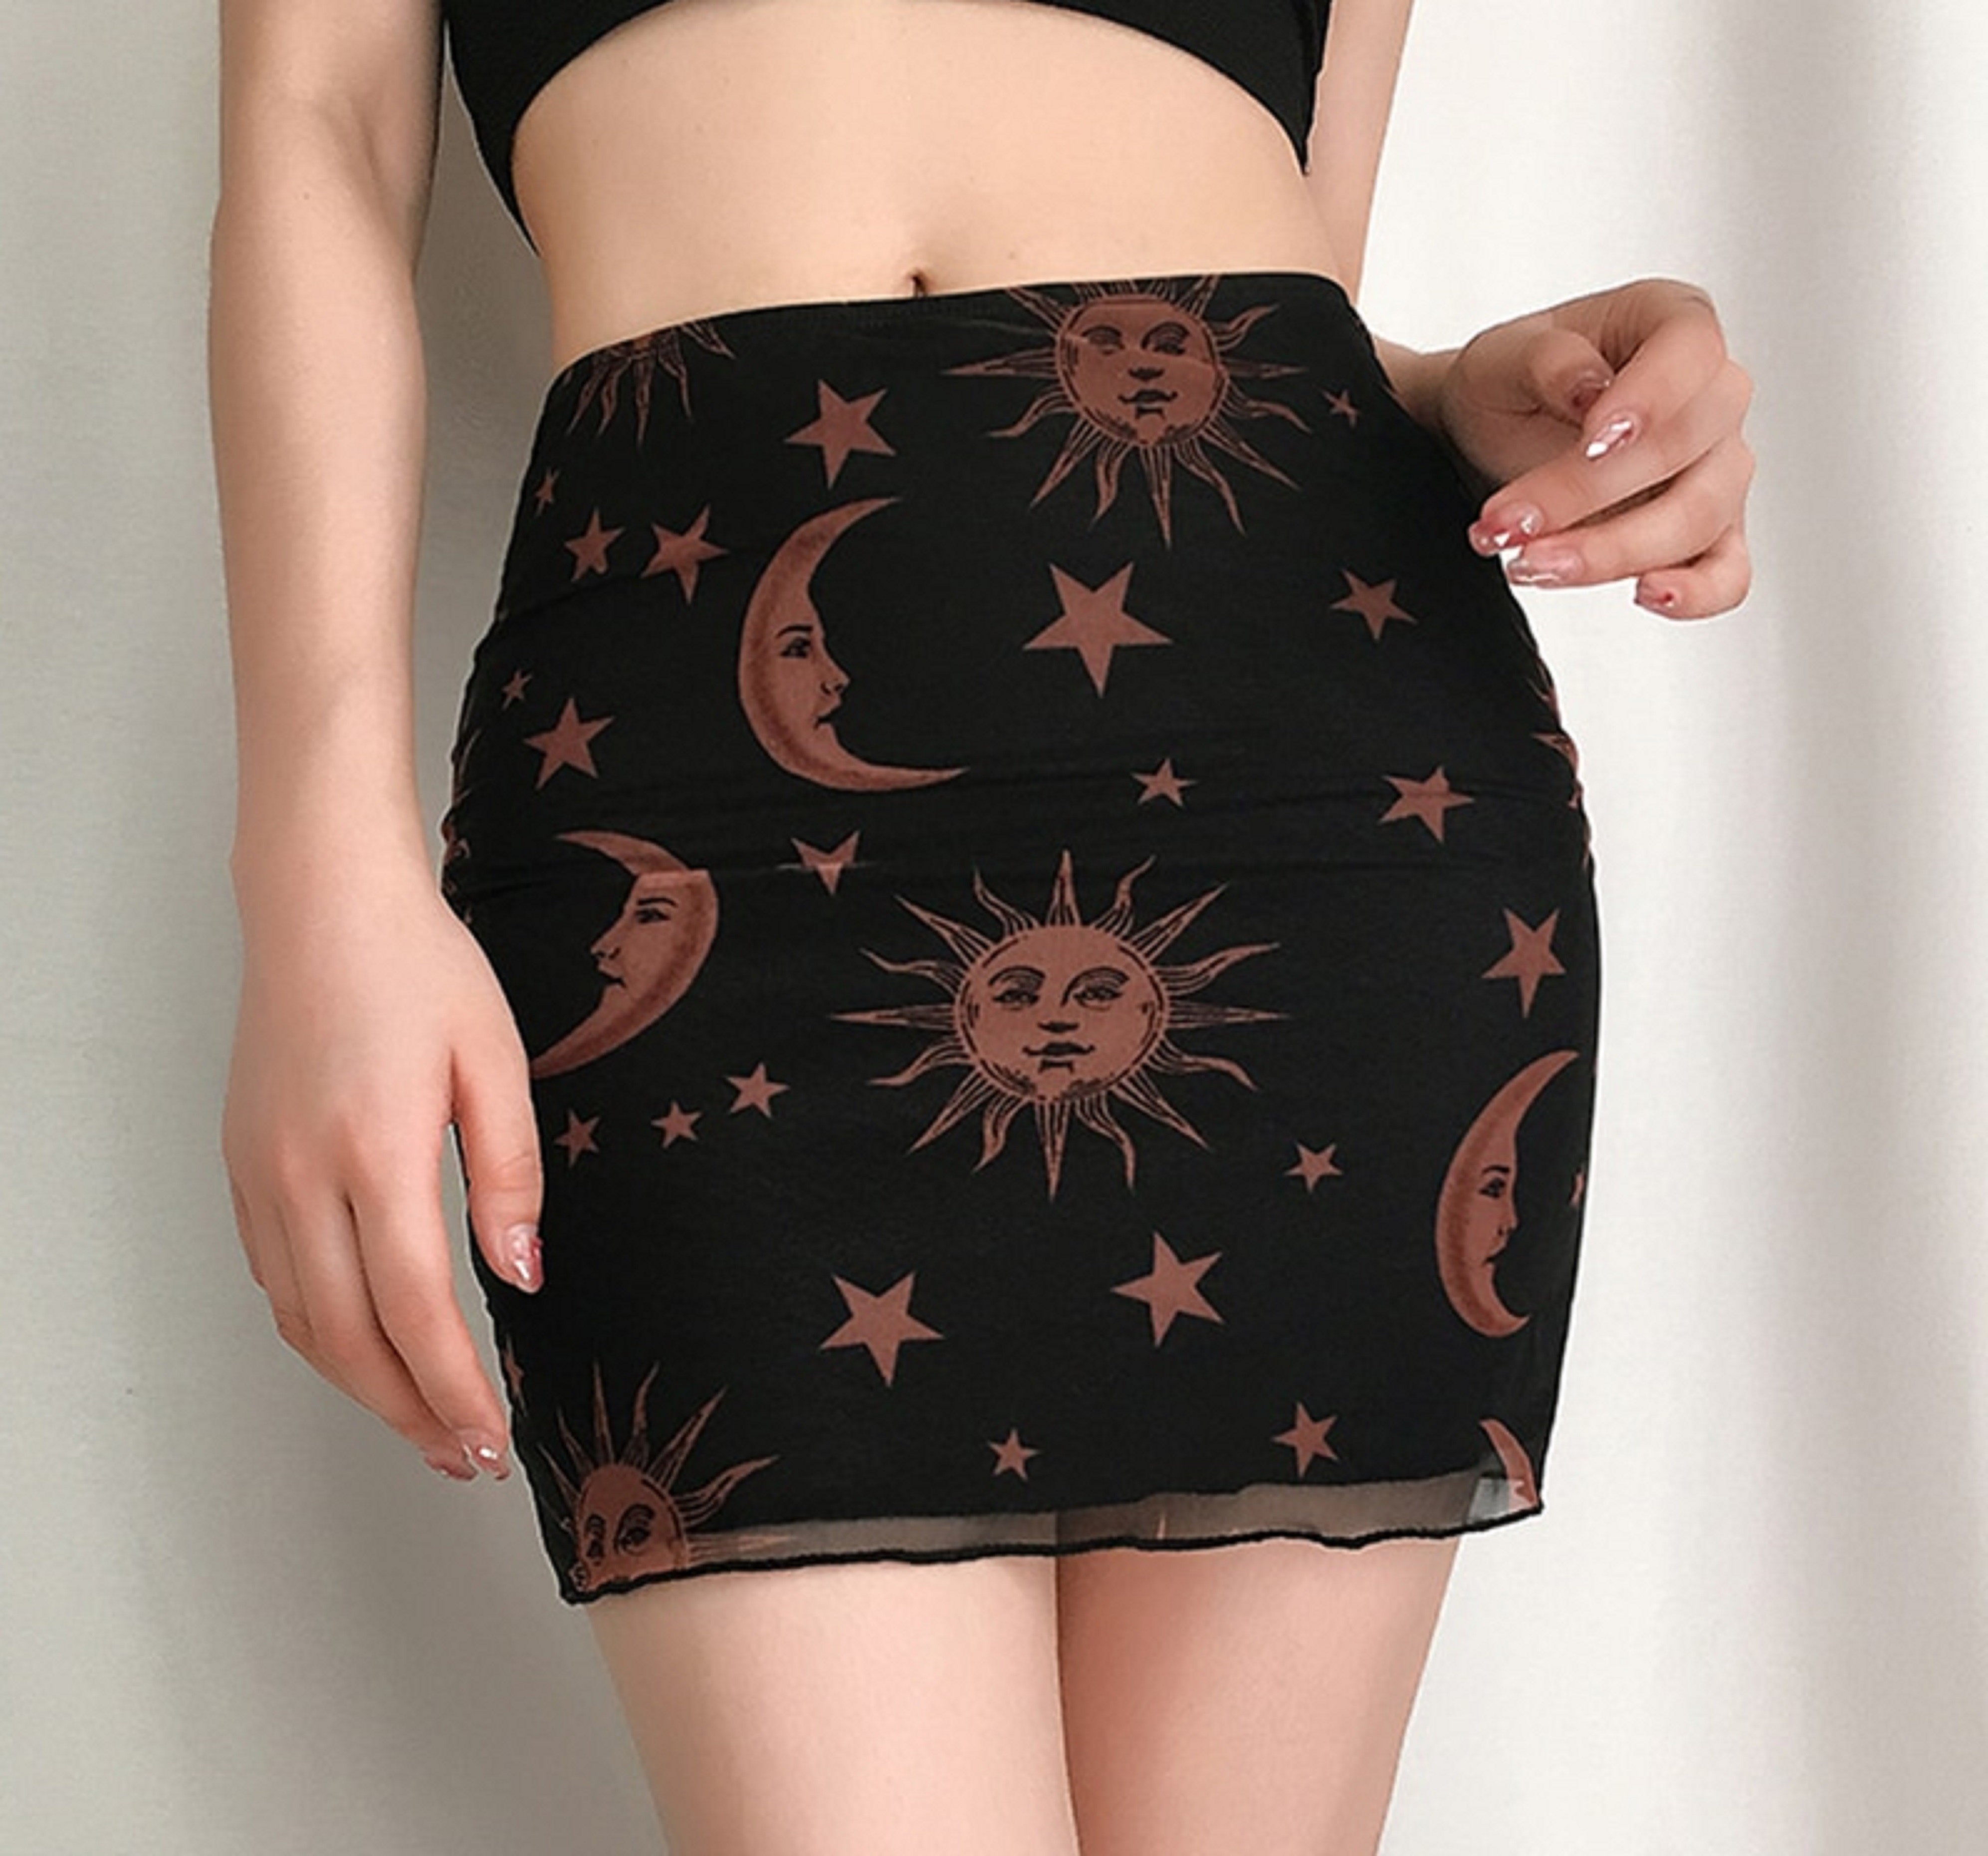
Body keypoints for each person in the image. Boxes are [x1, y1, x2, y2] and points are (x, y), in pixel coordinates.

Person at [207, 1, 1755, 1851]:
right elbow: (316, 128)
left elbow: (1293, 269)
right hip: (691, 818)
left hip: (1313, 790)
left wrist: (1448, 391)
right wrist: (316, 861)